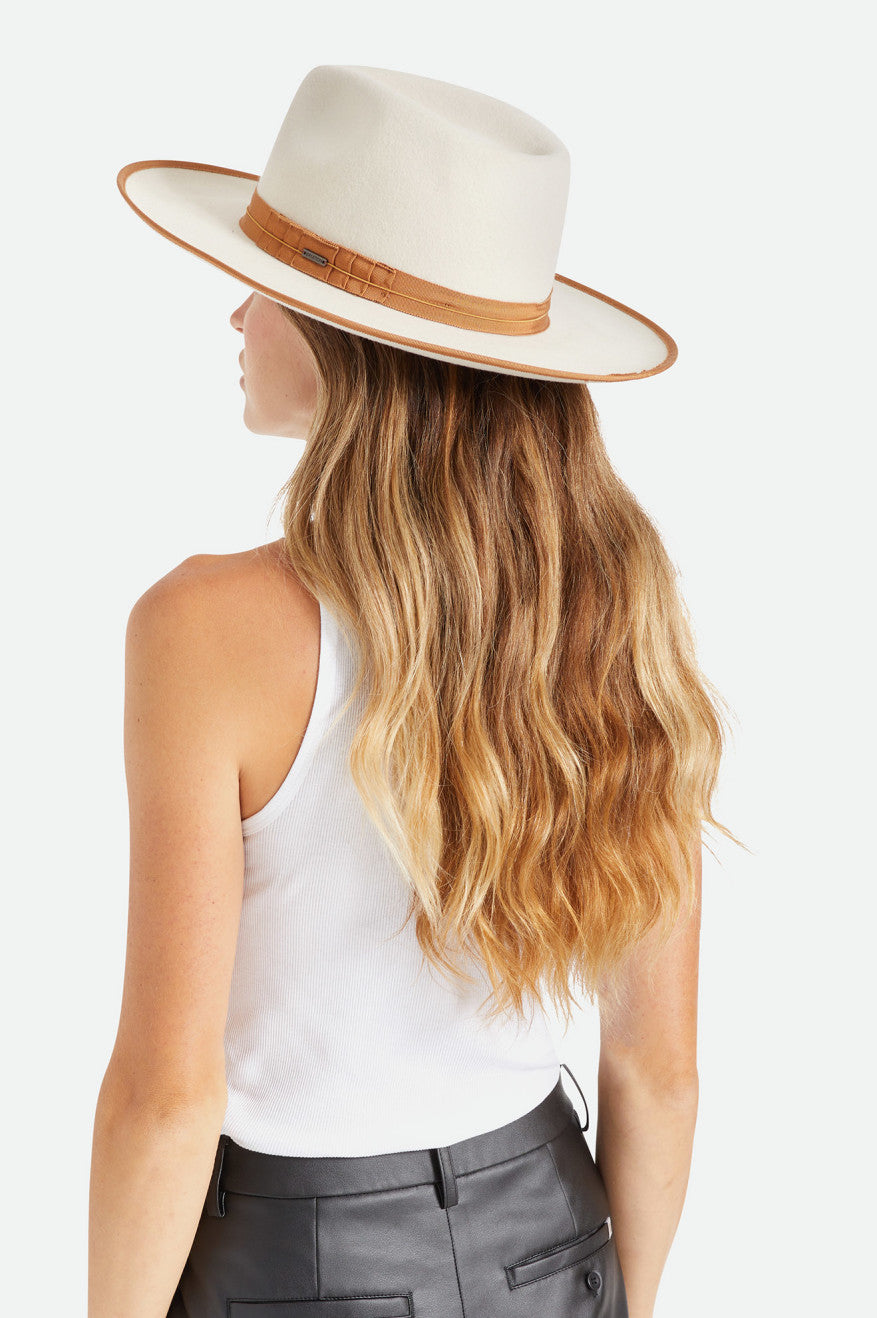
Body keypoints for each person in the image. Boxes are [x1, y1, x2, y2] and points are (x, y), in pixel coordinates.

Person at [90, 64, 740, 1318]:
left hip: (298, 1263)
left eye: (270, 287)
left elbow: (166, 1098)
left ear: (347, 341)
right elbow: (657, 1069)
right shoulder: (612, 607)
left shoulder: (204, 628)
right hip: (552, 1226)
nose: (237, 314)